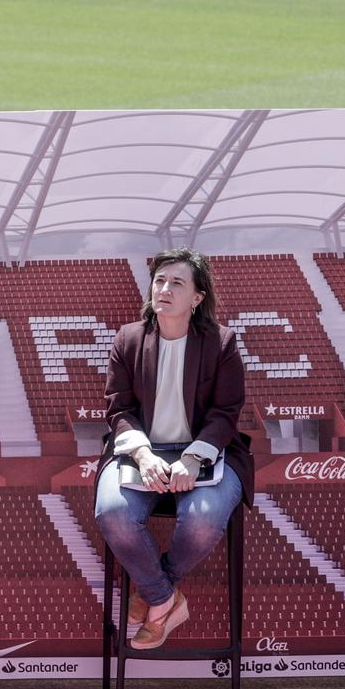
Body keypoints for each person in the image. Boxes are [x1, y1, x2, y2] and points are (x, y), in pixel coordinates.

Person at [94, 248, 253, 650]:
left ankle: (150, 590)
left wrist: (193, 457)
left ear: (197, 298)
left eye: (176, 283)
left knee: (201, 518)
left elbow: (226, 412)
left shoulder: (221, 342)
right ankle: (166, 599)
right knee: (112, 512)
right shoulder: (128, 339)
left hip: (207, 452)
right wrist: (143, 455)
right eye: (160, 281)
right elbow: (119, 409)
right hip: (140, 451)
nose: (164, 289)